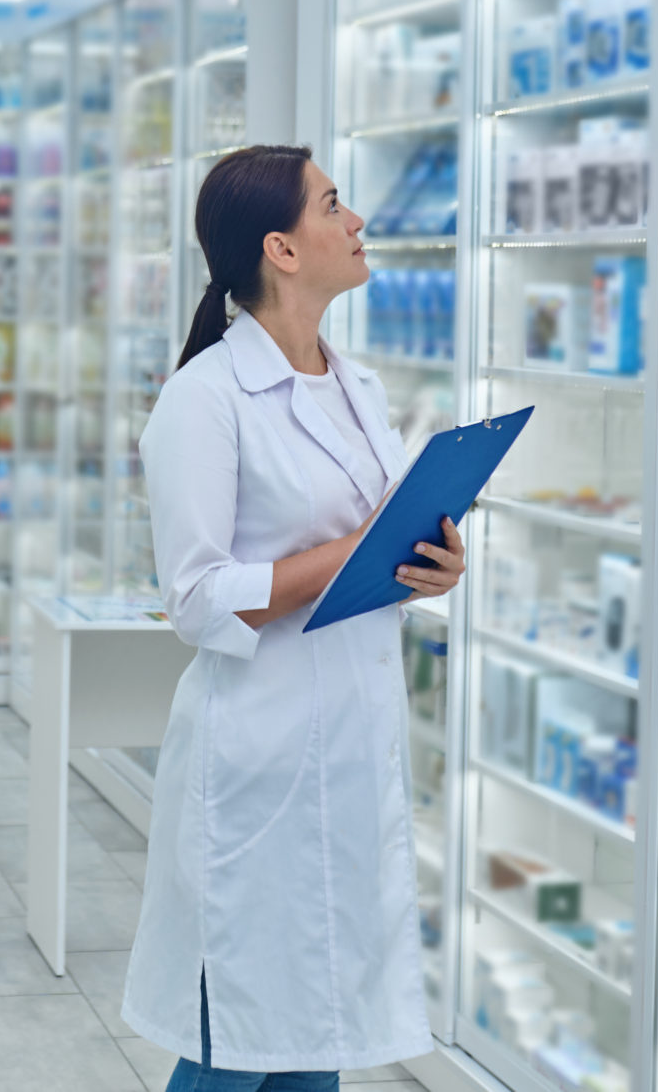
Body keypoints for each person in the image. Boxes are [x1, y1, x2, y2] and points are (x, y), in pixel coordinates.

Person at [118, 144, 465, 1090]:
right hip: (256, 765)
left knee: (318, 1048)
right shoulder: (204, 399)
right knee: (235, 1046)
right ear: (280, 246)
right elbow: (194, 597)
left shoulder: (360, 388)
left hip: (350, 750)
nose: (356, 222)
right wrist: (349, 557)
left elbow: (376, 538)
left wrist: (429, 561)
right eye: (333, 203)